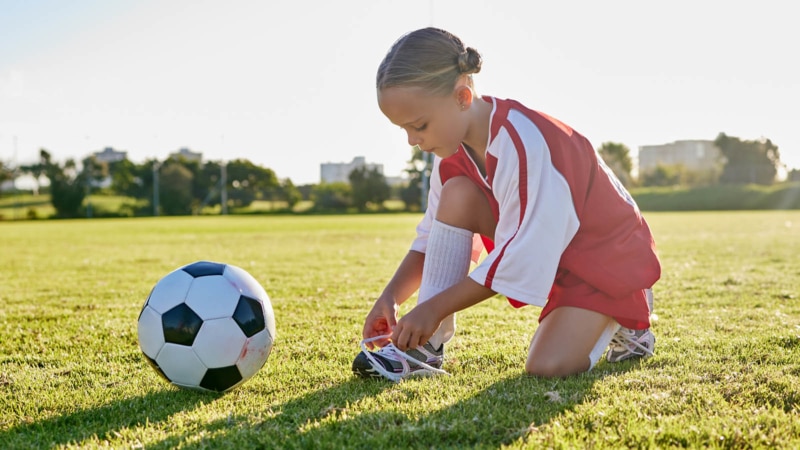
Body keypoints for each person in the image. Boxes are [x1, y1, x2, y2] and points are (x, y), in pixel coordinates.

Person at [352, 27, 661, 381]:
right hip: (553, 253)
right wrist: (391, 298)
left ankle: (631, 315)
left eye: (419, 125)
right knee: (457, 195)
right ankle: (425, 349)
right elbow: (429, 238)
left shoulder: (526, 140)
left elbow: (519, 254)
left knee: (546, 366)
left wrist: (433, 308)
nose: (411, 140)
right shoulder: (450, 148)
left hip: (605, 261)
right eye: (403, 129)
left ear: (463, 97)